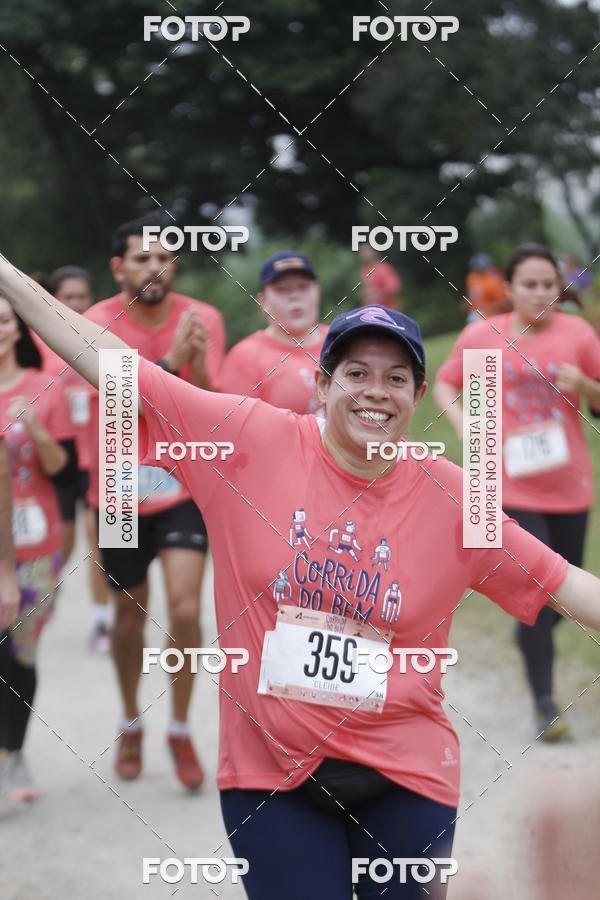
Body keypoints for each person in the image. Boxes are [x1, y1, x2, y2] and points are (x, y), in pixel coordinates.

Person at [4, 255, 600, 898]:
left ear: (418, 396)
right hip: (270, 777)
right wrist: (9, 278)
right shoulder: (248, 440)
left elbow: (564, 584)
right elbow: (110, 360)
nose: (376, 390)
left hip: (408, 772)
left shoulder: (456, 497)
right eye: (356, 373)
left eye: (397, 377)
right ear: (321, 384)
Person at [78, 212, 225, 788]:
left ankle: (182, 730)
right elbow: (119, 398)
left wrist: (200, 365)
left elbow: (216, 404)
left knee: (187, 609)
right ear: (118, 267)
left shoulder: (203, 318)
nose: (153, 267)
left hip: (182, 483)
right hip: (117, 491)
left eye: (163, 256)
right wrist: (171, 365)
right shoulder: (91, 322)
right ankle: (130, 717)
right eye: (141, 257)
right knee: (127, 616)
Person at [434, 243, 600, 741]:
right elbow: (445, 383)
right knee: (543, 587)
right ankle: (546, 705)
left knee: (561, 601)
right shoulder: (483, 336)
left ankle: (529, 634)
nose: (541, 293)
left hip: (568, 485)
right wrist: (466, 424)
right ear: (509, 289)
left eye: (549, 284)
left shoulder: (578, 333)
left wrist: (586, 386)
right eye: (529, 284)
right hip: (507, 485)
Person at [0, 298, 75, 801]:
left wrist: (36, 426)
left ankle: (12, 755)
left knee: (19, 653)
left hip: (37, 544)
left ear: (17, 327)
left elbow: (62, 470)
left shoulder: (46, 387)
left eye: (4, 318)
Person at [37, 266, 113, 653]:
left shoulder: (103, 338)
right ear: (52, 298)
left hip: (100, 452)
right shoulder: (35, 341)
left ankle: (102, 623)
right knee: (61, 542)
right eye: (69, 297)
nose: (78, 304)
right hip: (60, 455)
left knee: (100, 538)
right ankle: (45, 591)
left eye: (84, 296)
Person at [216, 251, 327, 413]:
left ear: (317, 292)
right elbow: (235, 426)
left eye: (303, 287)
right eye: (282, 289)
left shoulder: (342, 340)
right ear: (263, 301)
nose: (295, 296)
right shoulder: (244, 357)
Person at [464, 253, 509, 322]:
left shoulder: (494, 278)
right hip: (477, 312)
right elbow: (474, 297)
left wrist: (487, 307)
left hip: (493, 315)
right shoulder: (472, 277)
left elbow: (504, 303)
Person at [359, 244, 403, 310]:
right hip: (371, 313)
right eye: (362, 251)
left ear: (374, 252)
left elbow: (395, 288)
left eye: (367, 250)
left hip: (387, 312)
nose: (364, 254)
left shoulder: (383, 268)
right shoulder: (365, 270)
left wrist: (378, 294)